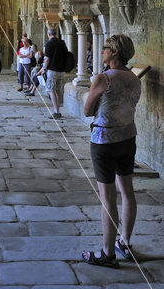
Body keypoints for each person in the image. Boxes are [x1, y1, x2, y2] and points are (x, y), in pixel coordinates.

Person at [82, 34, 141, 268]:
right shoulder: (134, 78)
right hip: (128, 137)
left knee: (107, 197)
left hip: (104, 140)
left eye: (105, 48)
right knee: (127, 191)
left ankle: (107, 253)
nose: (102, 51)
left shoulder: (103, 78)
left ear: (115, 52)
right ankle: (124, 242)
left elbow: (87, 111)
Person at [39, 28, 68, 119]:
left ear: (48, 34)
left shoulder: (49, 44)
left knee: (51, 90)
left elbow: (47, 58)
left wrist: (44, 68)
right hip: (61, 70)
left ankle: (56, 112)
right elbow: (67, 55)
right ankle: (58, 110)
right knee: (58, 90)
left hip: (52, 70)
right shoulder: (62, 43)